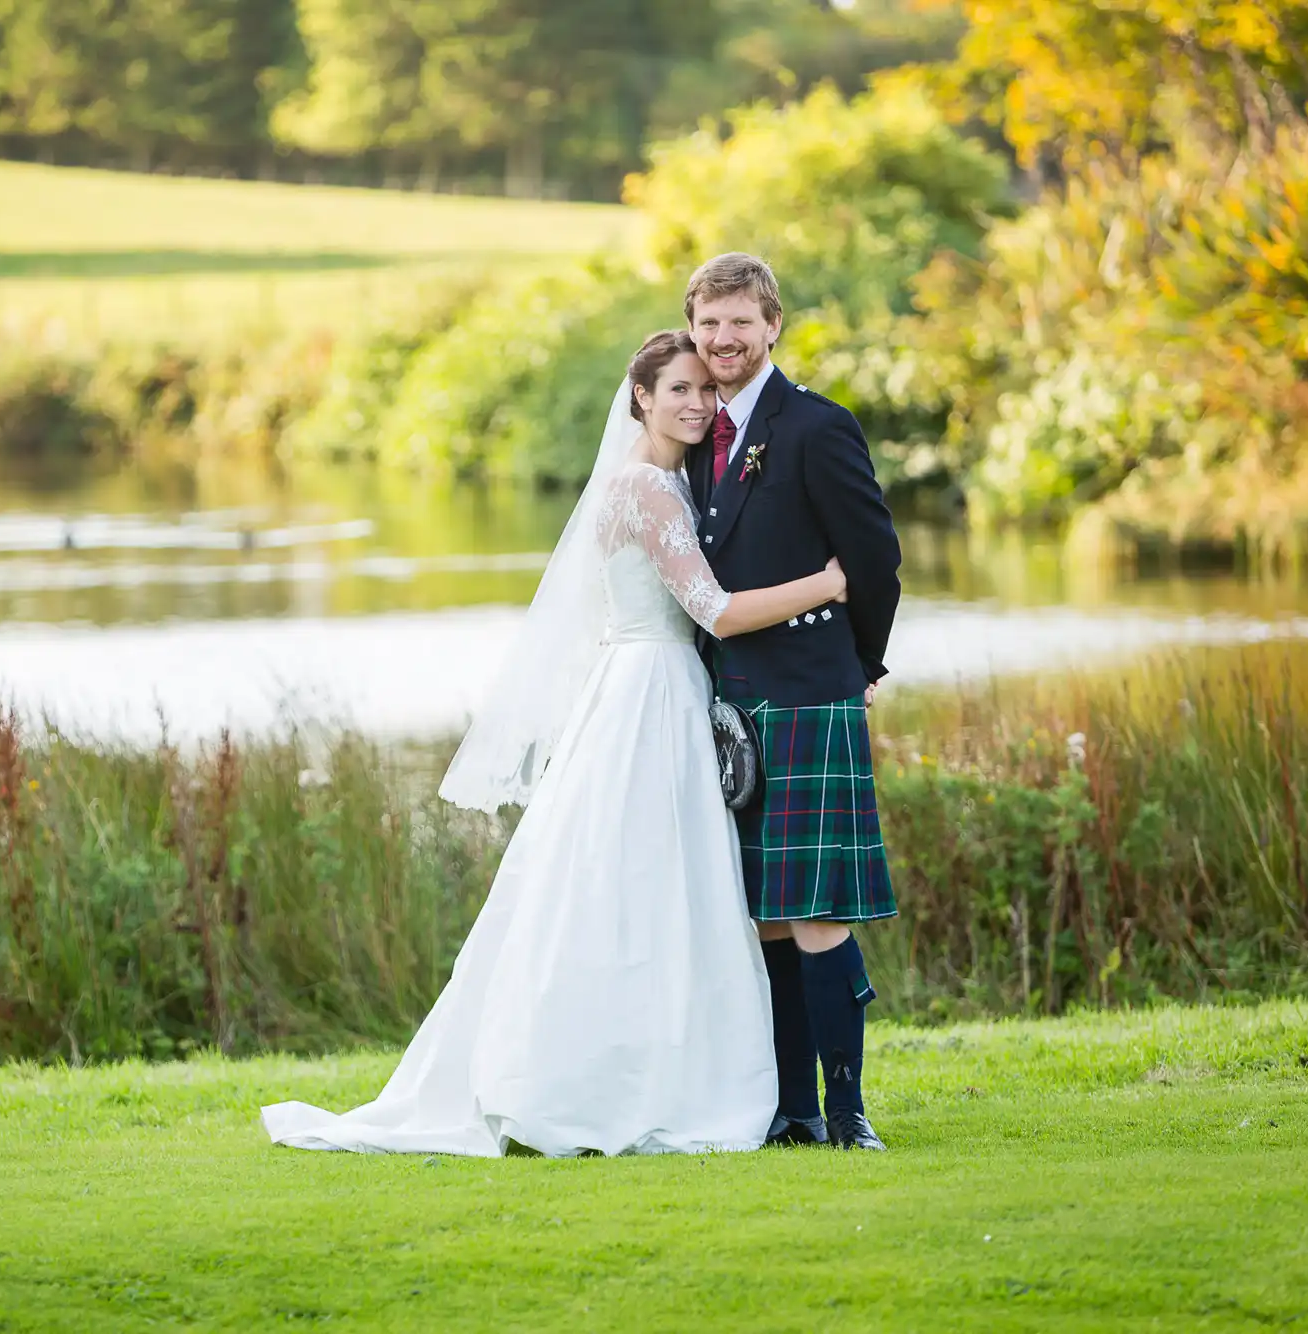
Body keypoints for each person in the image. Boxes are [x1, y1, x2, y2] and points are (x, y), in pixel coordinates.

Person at [260, 331, 849, 1156]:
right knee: (631, 885)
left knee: (656, 890)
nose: (696, 403)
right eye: (676, 388)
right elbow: (712, 610)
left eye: (703, 392)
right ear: (639, 396)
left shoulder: (677, 483)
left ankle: (664, 1071)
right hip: (649, 695)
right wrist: (825, 585)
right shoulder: (646, 488)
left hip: (663, 693)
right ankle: (591, 1084)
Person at [683, 252, 903, 1151]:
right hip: (729, 707)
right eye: (709, 324)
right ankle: (792, 1111)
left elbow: (875, 563)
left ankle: (849, 1113)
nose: (724, 340)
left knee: (816, 911)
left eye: (740, 322)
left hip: (812, 698)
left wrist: (857, 671)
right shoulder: (693, 432)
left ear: (772, 323)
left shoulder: (816, 426)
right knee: (766, 914)